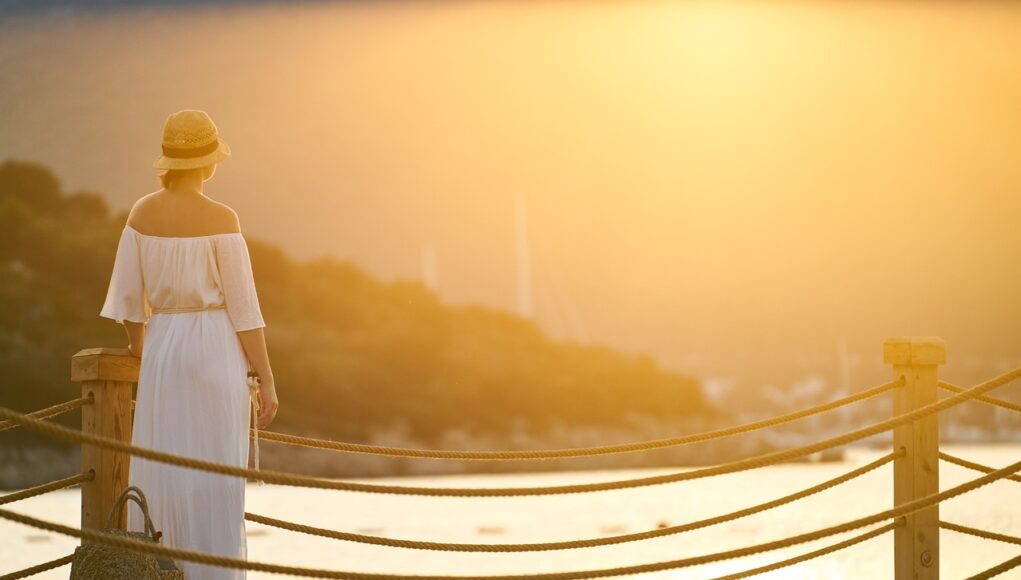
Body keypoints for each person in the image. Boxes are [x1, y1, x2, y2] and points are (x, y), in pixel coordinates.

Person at [99, 109, 279, 579]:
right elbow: (245, 310)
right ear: (208, 162)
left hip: (163, 352)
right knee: (214, 479)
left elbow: (127, 301)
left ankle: (159, 572)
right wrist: (266, 375)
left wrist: (144, 349)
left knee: (163, 473)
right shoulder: (223, 217)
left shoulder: (141, 213)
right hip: (216, 350)